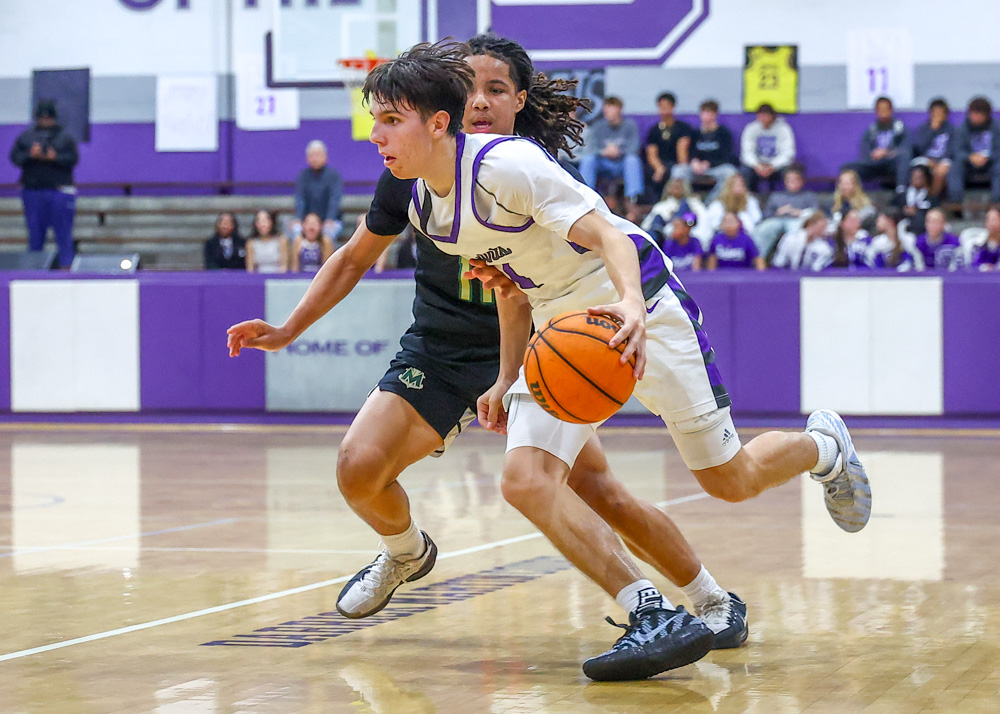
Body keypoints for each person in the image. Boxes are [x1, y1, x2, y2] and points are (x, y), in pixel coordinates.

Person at [227, 36, 753, 681]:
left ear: (513, 102)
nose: (478, 101)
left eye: (493, 90)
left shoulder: (520, 168)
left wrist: (572, 335)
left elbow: (573, 258)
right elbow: (358, 258)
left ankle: (705, 601)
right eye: (467, 87)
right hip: (449, 344)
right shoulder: (413, 178)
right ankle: (405, 551)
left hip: (549, 339)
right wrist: (289, 328)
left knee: (598, 490)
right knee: (359, 467)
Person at [372, 40, 869, 682]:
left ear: (435, 120)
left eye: (389, 120)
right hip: (561, 329)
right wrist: (505, 375)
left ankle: (823, 447)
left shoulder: (510, 165)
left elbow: (612, 235)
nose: (377, 135)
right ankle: (652, 611)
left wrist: (630, 304)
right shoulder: (427, 206)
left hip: (641, 305)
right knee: (525, 480)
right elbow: (513, 285)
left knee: (729, 479)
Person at [8, 100, 79, 268]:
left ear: (54, 118)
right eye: (42, 118)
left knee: (63, 233)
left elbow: (73, 159)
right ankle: (34, 267)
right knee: (35, 233)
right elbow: (15, 158)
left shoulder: (65, 137)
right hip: (33, 191)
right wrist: (30, 154)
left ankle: (66, 266)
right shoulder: (26, 137)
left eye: (48, 118)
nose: (45, 121)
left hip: (59, 191)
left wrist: (55, 157)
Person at [578, 96, 644, 216]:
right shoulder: (598, 126)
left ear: (619, 109)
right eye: (606, 109)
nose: (607, 112)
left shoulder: (630, 125)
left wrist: (619, 151)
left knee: (633, 160)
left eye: (611, 109)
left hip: (621, 163)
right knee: (588, 160)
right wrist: (603, 151)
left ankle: (632, 199)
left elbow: (635, 148)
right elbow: (590, 149)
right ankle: (585, 196)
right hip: (603, 163)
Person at [670, 100, 737, 199]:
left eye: (710, 113)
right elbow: (690, 152)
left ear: (715, 115)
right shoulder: (695, 133)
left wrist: (709, 163)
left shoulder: (724, 133)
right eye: (704, 113)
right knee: (678, 170)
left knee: (731, 172)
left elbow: (727, 156)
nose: (706, 117)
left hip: (715, 168)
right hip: (696, 168)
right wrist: (694, 161)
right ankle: (689, 201)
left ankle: (710, 202)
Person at [842, 96, 909, 191]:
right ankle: (851, 194)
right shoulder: (871, 130)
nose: (883, 112)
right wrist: (873, 154)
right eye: (880, 109)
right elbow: (864, 151)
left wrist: (887, 152)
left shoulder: (900, 129)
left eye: (885, 109)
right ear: (876, 111)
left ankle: (901, 190)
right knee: (847, 168)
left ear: (891, 110)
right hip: (874, 164)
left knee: (904, 158)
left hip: (892, 165)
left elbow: (906, 150)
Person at [752, 164, 820, 257]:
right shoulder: (776, 196)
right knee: (763, 229)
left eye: (795, 179)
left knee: (795, 232)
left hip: (797, 220)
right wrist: (777, 213)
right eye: (789, 180)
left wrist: (800, 213)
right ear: (785, 182)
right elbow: (766, 215)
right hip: (777, 220)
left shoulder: (808, 196)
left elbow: (816, 214)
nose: (792, 182)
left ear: (801, 181)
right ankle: (758, 258)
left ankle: (789, 260)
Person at [948, 96, 1000, 206]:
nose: (975, 117)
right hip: (970, 163)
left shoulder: (996, 128)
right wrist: (970, 157)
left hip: (991, 162)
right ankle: (956, 202)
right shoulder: (962, 128)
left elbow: (998, 150)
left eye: (979, 115)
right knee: (956, 165)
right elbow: (957, 150)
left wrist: (988, 157)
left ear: (987, 115)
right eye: (973, 114)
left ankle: (997, 202)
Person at [643, 92, 692, 204]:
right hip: (660, 164)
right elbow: (651, 153)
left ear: (673, 107)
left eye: (666, 106)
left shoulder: (683, 128)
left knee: (678, 171)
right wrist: (659, 168)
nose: (663, 110)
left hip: (676, 164)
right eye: (661, 107)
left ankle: (676, 202)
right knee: (648, 173)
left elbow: (682, 152)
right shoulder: (654, 130)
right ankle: (653, 204)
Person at [292, 140, 344, 242]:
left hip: (330, 219)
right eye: (312, 155)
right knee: (296, 230)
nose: (315, 158)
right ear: (307, 158)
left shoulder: (334, 176)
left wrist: (329, 219)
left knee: (328, 233)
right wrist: (299, 218)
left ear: (325, 157)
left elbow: (334, 199)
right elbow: (300, 199)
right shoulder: (302, 176)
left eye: (318, 155)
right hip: (307, 220)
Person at [739, 103, 796, 193]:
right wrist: (757, 165)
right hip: (757, 166)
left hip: (777, 166)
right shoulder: (751, 128)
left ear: (773, 116)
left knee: (789, 172)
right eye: (761, 116)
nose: (764, 119)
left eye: (766, 116)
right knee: (744, 171)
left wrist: (772, 165)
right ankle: (747, 197)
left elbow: (788, 153)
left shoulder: (783, 129)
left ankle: (789, 197)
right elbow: (746, 152)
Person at [640, 177, 710, 248]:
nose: (676, 188)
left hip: (687, 236)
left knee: (684, 205)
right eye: (673, 186)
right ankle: (648, 248)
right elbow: (646, 225)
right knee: (657, 219)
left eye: (679, 186)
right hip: (663, 237)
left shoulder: (694, 203)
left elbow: (703, 222)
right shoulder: (660, 206)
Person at [909, 98, 954, 197]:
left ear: (945, 114)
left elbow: (952, 150)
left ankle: (932, 199)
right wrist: (932, 130)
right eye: (935, 112)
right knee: (918, 172)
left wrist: (938, 162)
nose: (937, 115)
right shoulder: (923, 129)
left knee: (940, 171)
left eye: (940, 113)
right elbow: (919, 148)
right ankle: (914, 199)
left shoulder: (952, 130)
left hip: (943, 160)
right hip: (926, 159)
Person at [892, 164, 937, 236]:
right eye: (914, 176)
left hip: (922, 232)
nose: (916, 179)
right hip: (899, 231)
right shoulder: (902, 196)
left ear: (926, 178)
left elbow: (935, 215)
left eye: (920, 177)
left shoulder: (931, 198)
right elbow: (890, 209)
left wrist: (917, 212)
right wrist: (903, 211)